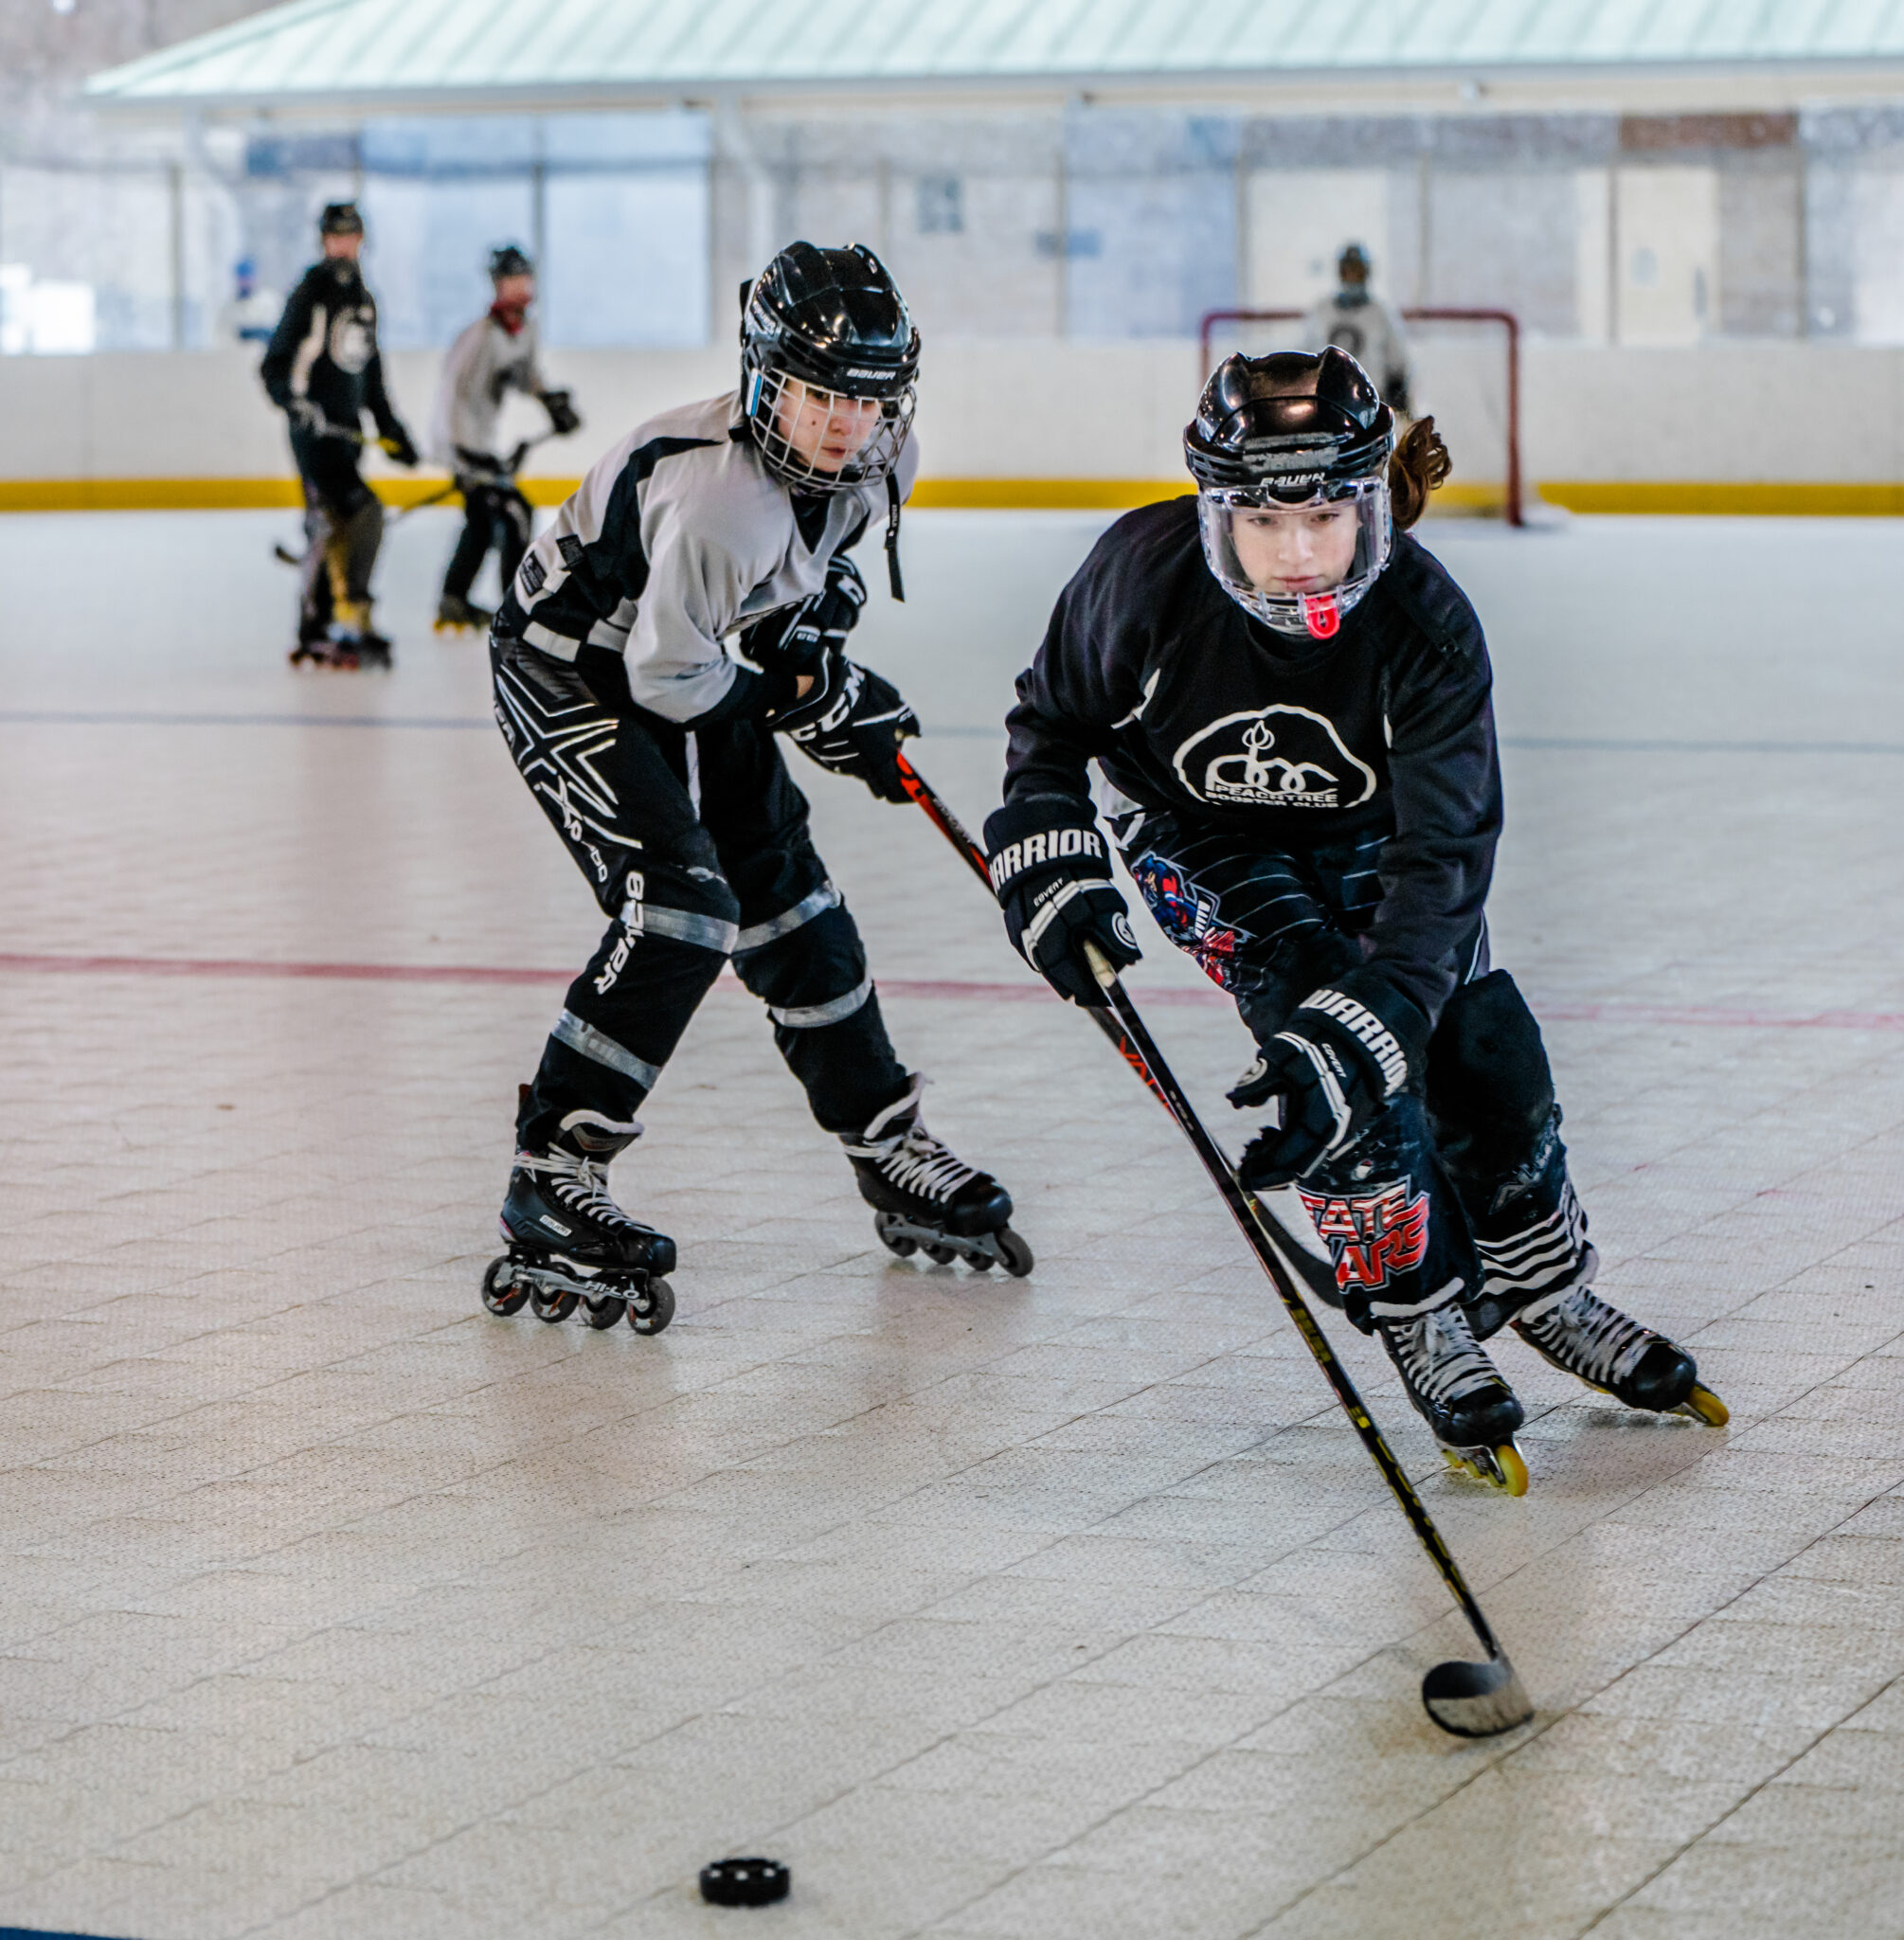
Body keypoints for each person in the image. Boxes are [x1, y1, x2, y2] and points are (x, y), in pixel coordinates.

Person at [981, 348, 1723, 1493]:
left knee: (1479, 1042)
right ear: (1211, 510)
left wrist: (1392, 1010)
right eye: (1264, 523)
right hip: (1201, 836)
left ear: (1371, 504)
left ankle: (1546, 1282)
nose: (1297, 554)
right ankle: (1421, 1306)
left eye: (1325, 517)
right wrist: (1045, 847)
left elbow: (1447, 857)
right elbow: (1052, 719)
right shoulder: (1142, 575)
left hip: (1379, 844)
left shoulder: (1425, 625)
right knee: (1314, 1024)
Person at [480, 241, 1028, 1333]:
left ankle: (886, 1140)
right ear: (765, 376)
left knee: (795, 906)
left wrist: (815, 657)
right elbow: (674, 677)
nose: (842, 423)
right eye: (818, 393)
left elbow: (798, 595)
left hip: (677, 656)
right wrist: (809, 703)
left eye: (866, 400)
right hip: (574, 664)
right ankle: (550, 1169)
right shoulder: (718, 495)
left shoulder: (883, 458)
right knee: (683, 909)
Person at [260, 202, 420, 668]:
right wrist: (294, 403)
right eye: (335, 236)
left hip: (347, 435)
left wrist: (394, 434)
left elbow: (369, 377)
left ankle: (351, 615)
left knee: (361, 517)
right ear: (323, 240)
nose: (343, 245)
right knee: (330, 522)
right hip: (314, 436)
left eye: (350, 236)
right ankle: (317, 626)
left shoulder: (364, 300)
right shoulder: (310, 292)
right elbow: (274, 364)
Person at [428, 243, 581, 635]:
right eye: (510, 280)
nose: (519, 287)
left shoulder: (524, 330)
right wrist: (462, 458)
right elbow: (451, 399)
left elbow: (525, 375)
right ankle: (516, 605)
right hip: (463, 446)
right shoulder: (478, 339)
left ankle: (454, 598)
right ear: (496, 285)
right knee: (514, 512)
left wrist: (552, 404)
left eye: (523, 278)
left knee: (481, 520)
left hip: (481, 446)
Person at [1304, 242, 1413, 415]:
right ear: (1340, 273)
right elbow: (1305, 355)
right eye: (1348, 271)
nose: (1353, 277)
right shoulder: (1322, 311)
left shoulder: (1380, 312)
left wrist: (1400, 409)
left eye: (1358, 271)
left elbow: (1398, 364)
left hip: (1371, 404)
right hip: (1328, 405)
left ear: (1366, 274)